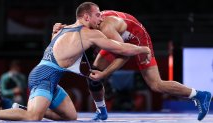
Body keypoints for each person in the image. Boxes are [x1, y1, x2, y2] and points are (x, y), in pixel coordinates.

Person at [0, 2, 151, 121]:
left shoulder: (63, 29)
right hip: (44, 77)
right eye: (97, 14)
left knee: (70, 117)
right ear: (86, 17)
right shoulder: (89, 34)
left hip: (50, 78)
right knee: (33, 117)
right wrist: (144, 49)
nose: (101, 18)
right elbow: (121, 49)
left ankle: (23, 108)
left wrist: (53, 32)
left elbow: (55, 50)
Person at [53, 10, 212, 121]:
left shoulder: (106, 28)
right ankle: (101, 111)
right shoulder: (85, 23)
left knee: (156, 85)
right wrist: (60, 27)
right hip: (119, 39)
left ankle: (199, 94)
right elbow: (74, 28)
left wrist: (105, 74)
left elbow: (124, 53)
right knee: (94, 76)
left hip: (137, 40)